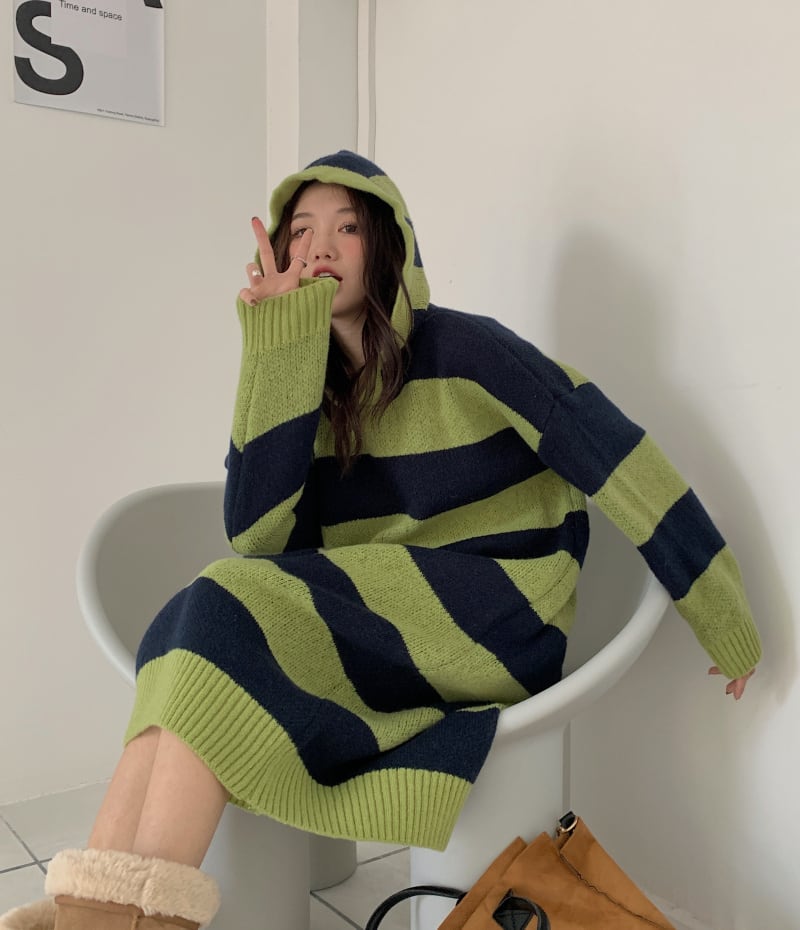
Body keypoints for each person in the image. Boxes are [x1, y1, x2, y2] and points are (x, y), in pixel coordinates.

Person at [1, 151, 761, 930]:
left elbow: (616, 457)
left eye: (348, 228)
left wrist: (721, 612)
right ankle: (88, 914)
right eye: (301, 231)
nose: (320, 247)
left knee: (223, 599)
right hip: (391, 624)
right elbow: (257, 538)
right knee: (185, 620)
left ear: (388, 243)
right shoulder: (307, 378)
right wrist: (276, 347)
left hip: (499, 612)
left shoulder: (468, 350)